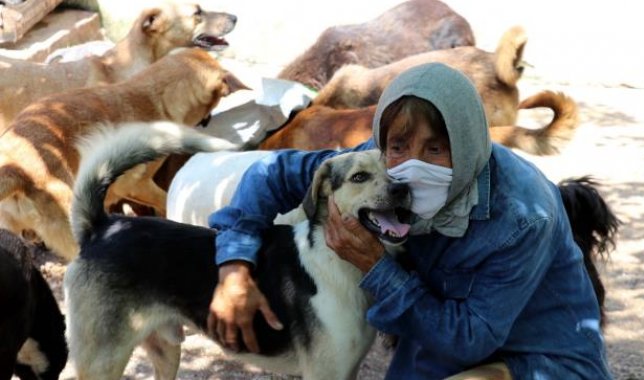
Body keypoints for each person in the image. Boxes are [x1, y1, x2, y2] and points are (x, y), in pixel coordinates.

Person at [207, 63, 612, 379]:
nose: (412, 164)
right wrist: (235, 268)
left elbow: (469, 339)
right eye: (399, 145)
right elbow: (271, 173)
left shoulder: (523, 217)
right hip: (437, 335)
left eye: (435, 148)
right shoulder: (382, 158)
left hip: (534, 356)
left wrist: (375, 267)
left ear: (468, 145)